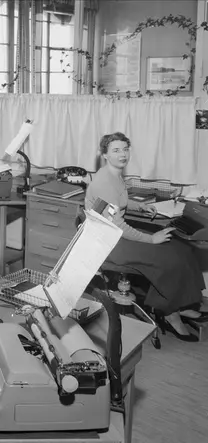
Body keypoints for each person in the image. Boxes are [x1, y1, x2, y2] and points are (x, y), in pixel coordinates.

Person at [85, 132, 207, 342]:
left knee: (182, 249)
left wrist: (139, 206)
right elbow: (117, 224)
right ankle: (169, 313)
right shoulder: (104, 181)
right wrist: (151, 239)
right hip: (110, 243)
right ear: (104, 154)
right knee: (169, 257)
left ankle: (182, 304)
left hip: (116, 235)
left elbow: (118, 202)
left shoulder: (114, 174)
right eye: (116, 150)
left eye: (125, 149)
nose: (122, 154)